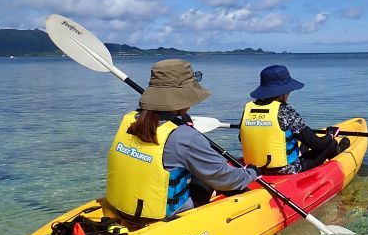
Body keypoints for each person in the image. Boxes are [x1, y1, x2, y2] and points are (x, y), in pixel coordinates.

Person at [107, 59, 258, 221]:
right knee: (208, 177)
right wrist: (251, 173)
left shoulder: (129, 120)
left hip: (121, 207)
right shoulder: (185, 137)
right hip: (160, 216)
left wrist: (180, 120)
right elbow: (224, 179)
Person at [239, 65, 350, 175]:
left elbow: (241, 137)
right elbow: (317, 144)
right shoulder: (285, 111)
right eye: (288, 90)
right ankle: (337, 149)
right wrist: (330, 134)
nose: (289, 93)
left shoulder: (249, 108)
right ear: (281, 92)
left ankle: (308, 151)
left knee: (302, 143)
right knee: (330, 143)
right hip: (286, 170)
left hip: (254, 168)